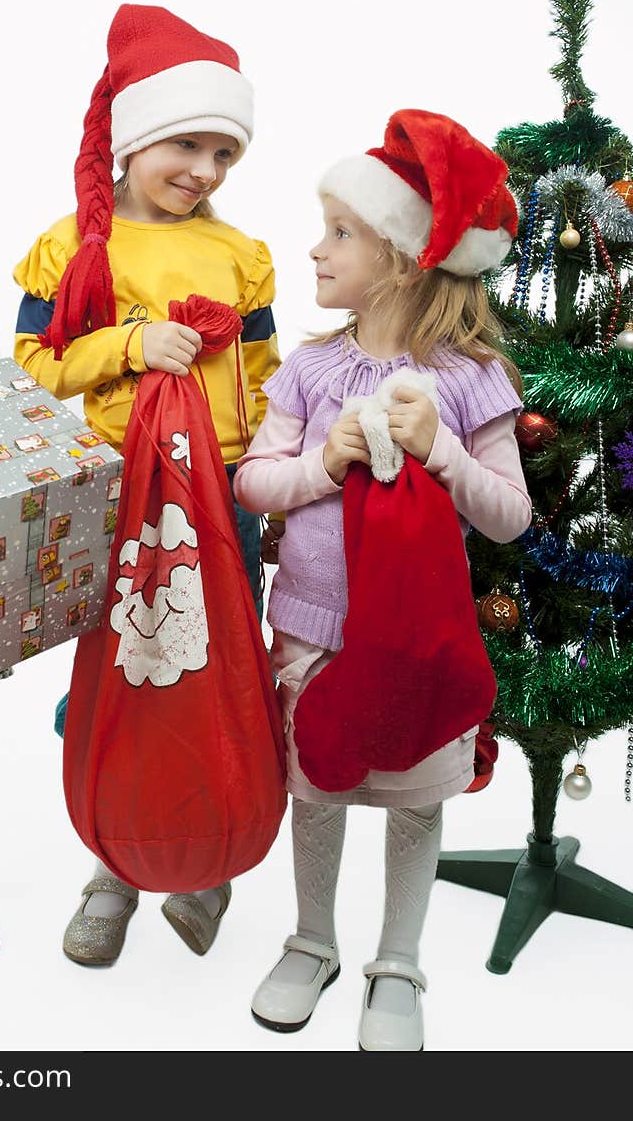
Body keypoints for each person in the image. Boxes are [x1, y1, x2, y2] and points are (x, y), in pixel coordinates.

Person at [234, 109, 532, 1050]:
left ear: (401, 257)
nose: (315, 251)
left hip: (421, 634)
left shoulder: (473, 378)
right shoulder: (314, 368)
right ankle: (311, 940)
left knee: (415, 797)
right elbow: (254, 480)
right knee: (316, 788)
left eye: (340, 232)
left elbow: (509, 516)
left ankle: (397, 962)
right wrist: (326, 463)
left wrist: (437, 448)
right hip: (314, 629)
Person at [13, 4, 280, 965]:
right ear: (131, 141)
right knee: (120, 674)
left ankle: (209, 861)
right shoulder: (70, 249)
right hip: (108, 505)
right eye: (188, 145)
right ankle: (117, 863)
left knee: (216, 671)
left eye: (224, 154)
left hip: (218, 507)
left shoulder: (242, 256)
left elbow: (262, 381)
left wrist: (266, 487)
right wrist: (127, 344)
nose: (205, 172)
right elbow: (26, 376)